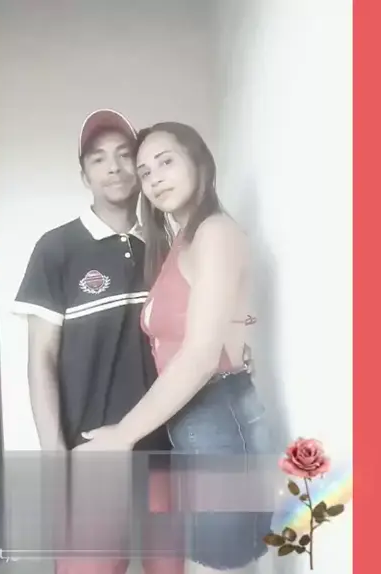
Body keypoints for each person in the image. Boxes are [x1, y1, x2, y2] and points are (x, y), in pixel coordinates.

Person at [81, 122, 275, 572]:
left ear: (199, 162)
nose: (155, 179)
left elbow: (201, 355)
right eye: (145, 172)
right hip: (195, 423)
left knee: (226, 562)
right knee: (210, 558)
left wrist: (122, 436)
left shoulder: (215, 232)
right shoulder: (182, 241)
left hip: (219, 419)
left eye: (166, 162)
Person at [13, 110, 184, 574]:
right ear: (84, 174)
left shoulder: (165, 244)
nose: (113, 167)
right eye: (98, 158)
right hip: (88, 455)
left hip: (163, 451)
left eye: (124, 155)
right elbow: (41, 359)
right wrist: (55, 458)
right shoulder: (57, 248)